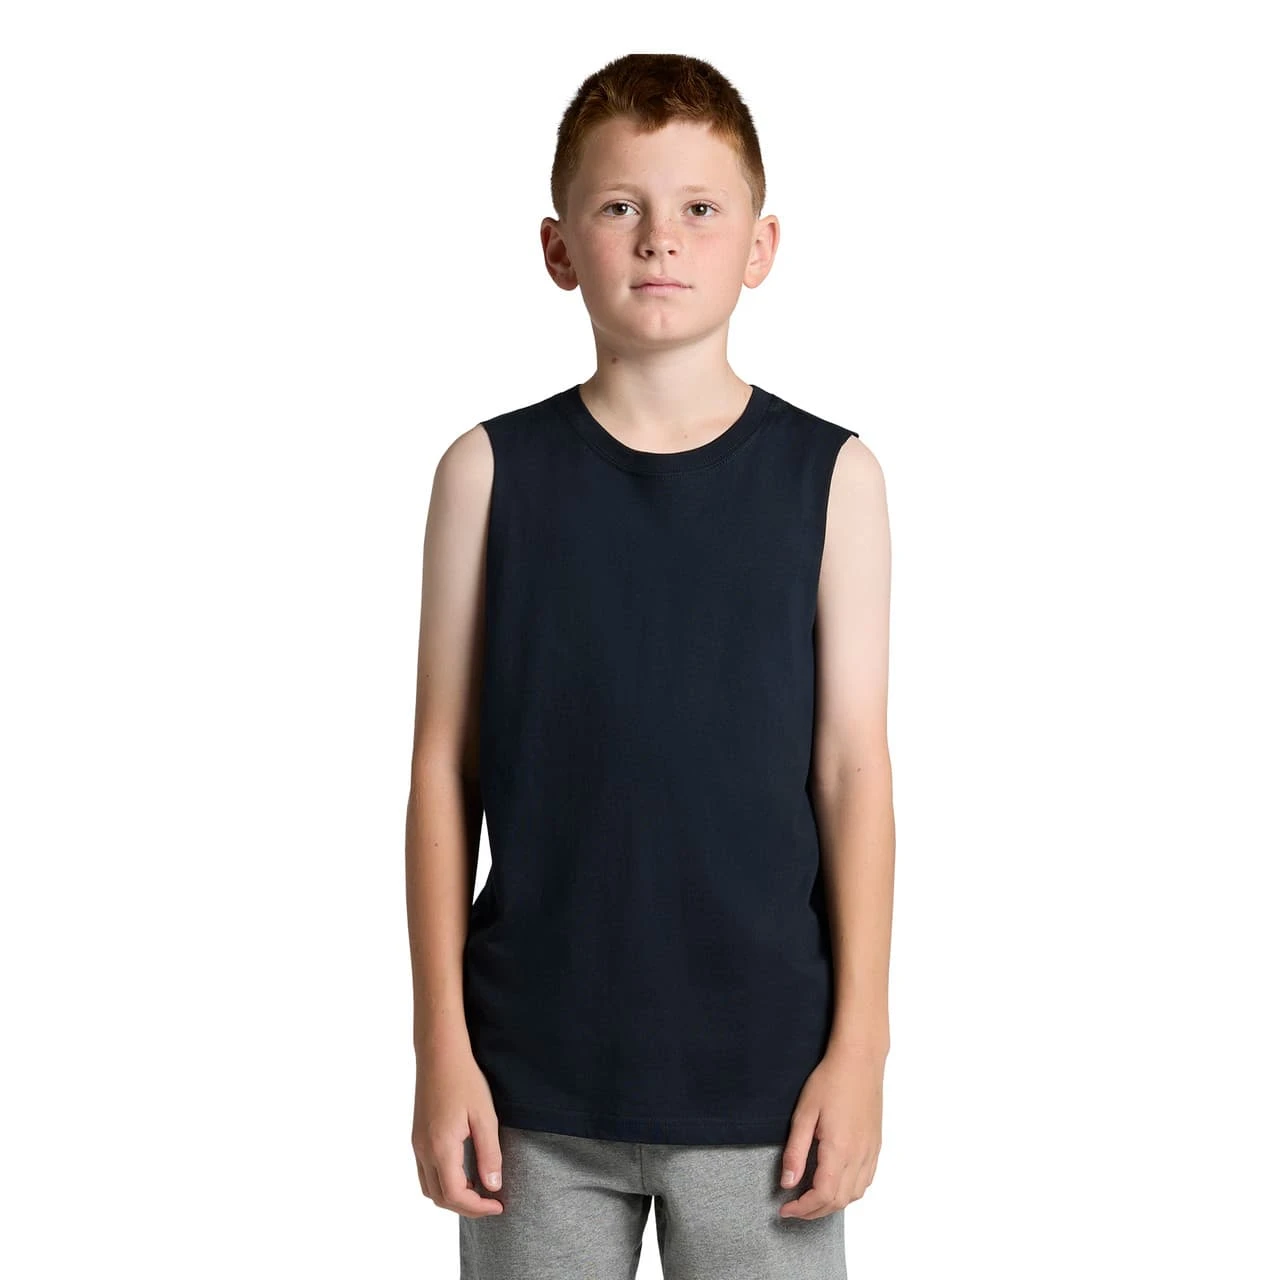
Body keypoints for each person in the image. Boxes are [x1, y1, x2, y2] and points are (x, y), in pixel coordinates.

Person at [405, 51, 894, 1279]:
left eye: (699, 208)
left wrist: (861, 1049)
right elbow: (440, 772)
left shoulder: (832, 478)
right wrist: (438, 1047)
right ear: (558, 246)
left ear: (760, 245)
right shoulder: (485, 473)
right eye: (620, 204)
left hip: (767, 1086)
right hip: (530, 1085)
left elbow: (852, 772)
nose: (659, 237)